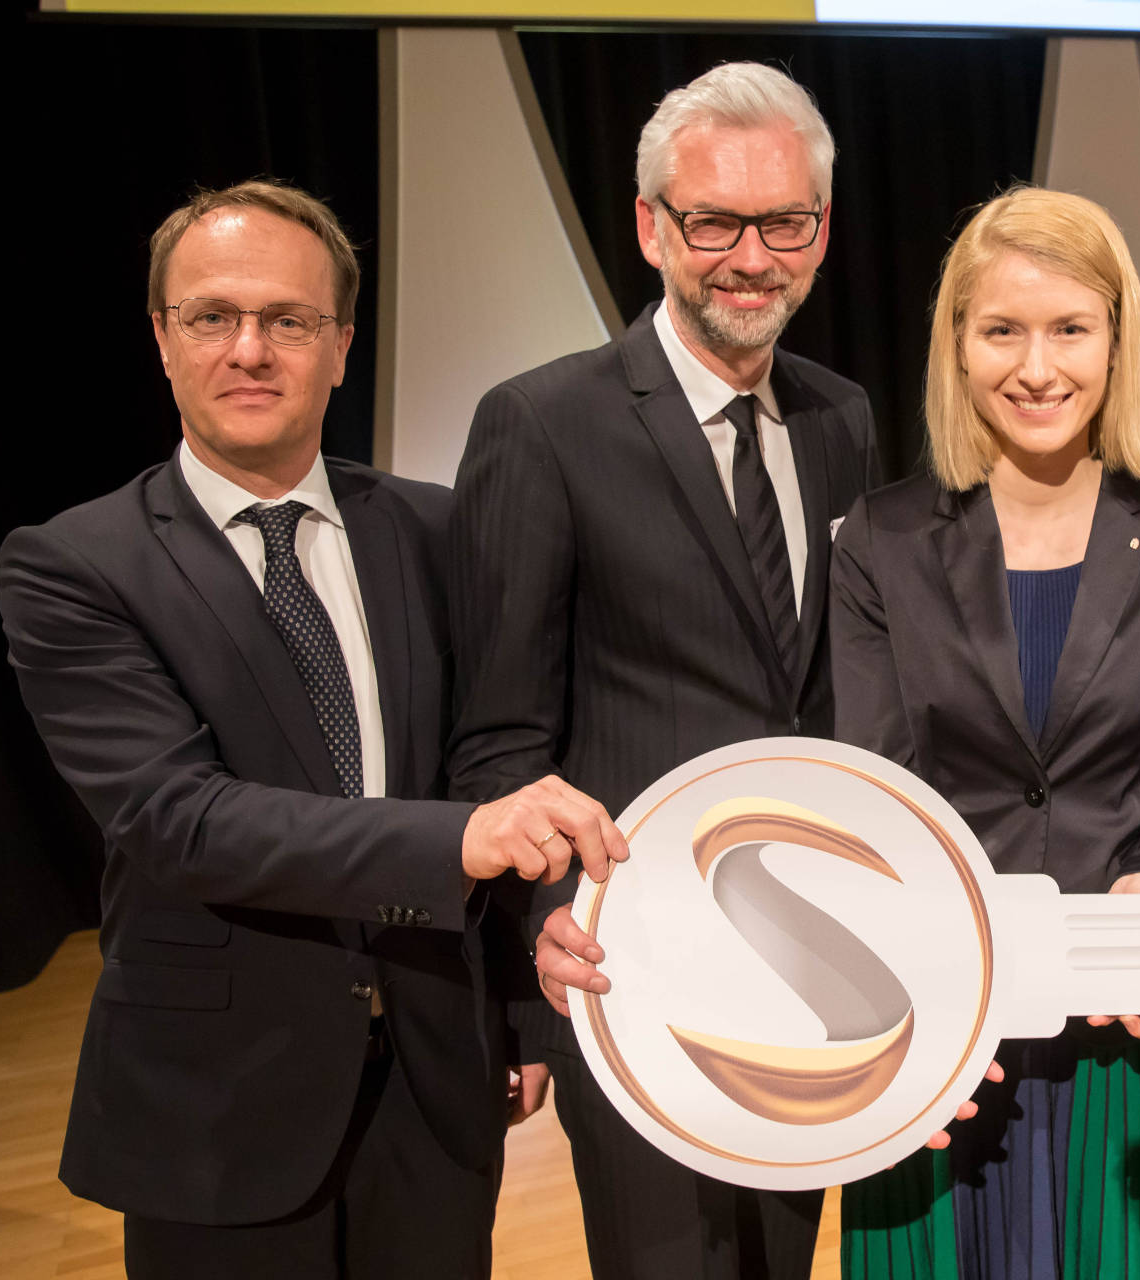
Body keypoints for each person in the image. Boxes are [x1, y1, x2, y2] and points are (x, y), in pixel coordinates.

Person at [0, 180, 624, 1279]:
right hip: (218, 1100)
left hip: (437, 1081)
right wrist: (456, 840)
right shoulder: (74, 565)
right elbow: (178, 818)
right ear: (161, 338)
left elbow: (490, 756)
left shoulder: (436, 528)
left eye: (289, 320)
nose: (251, 349)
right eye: (212, 316)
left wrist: (521, 1018)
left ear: (339, 346)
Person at [449, 63, 879, 1279]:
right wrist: (541, 942)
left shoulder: (843, 418)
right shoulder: (539, 425)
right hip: (629, 961)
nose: (751, 256)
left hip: (806, 955)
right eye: (713, 222)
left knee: (783, 1257)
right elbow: (498, 732)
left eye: (783, 222)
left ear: (821, 231)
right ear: (651, 227)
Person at [826, 187, 1140, 1280]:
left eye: (1071, 328)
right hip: (945, 1018)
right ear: (957, 346)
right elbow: (877, 792)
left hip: (1133, 1019)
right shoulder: (878, 538)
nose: (1037, 365)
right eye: (1002, 329)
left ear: (1119, 341)